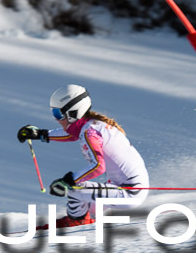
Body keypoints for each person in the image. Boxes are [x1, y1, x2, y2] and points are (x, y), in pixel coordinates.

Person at [17, 84, 149, 227]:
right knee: (87, 203)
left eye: (58, 114)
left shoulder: (90, 132)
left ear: (73, 113)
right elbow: (71, 134)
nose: (56, 119)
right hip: (124, 188)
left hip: (129, 193)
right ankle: (85, 219)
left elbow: (98, 166)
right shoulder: (92, 125)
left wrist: (68, 181)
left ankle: (77, 221)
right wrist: (42, 134)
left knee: (76, 190)